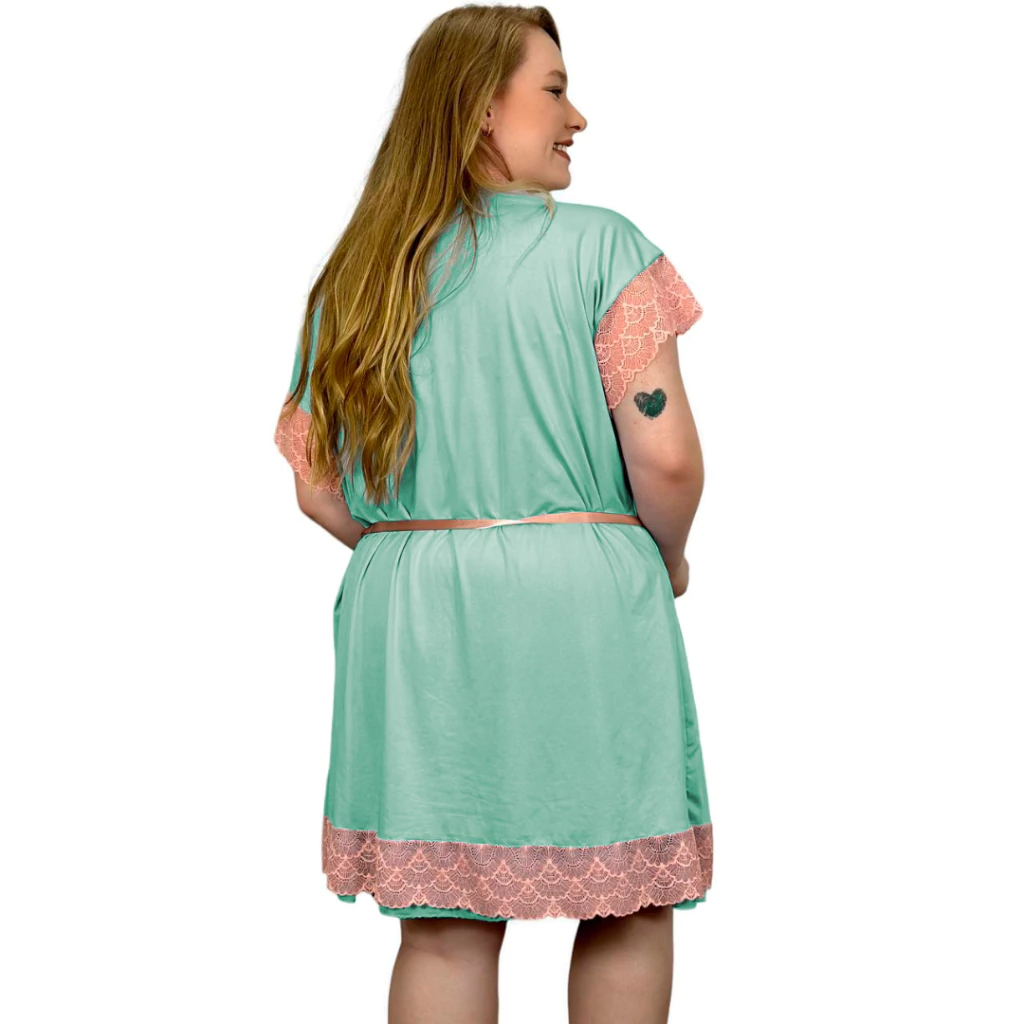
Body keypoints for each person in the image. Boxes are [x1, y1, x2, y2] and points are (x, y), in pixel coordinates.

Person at [273, 6, 712, 1022]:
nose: (577, 118)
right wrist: (667, 558)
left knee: (443, 922)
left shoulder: (362, 275)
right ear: (479, 107)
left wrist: (427, 545)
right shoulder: (602, 248)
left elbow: (316, 485)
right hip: (585, 597)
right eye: (554, 90)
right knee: (625, 898)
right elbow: (666, 455)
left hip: (413, 610)